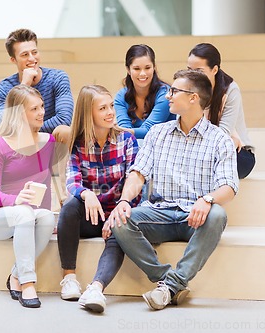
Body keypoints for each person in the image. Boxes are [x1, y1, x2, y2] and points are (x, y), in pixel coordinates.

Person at [109, 69, 239, 311]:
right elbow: (138, 174)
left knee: (218, 215)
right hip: (159, 213)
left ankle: (169, 287)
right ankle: (170, 282)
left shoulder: (219, 139)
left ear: (193, 98)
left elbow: (229, 187)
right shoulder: (158, 133)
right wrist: (125, 200)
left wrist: (208, 200)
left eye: (174, 91)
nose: (168, 96)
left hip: (196, 217)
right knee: (121, 219)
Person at [57, 85, 140, 313]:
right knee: (70, 206)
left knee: (121, 227)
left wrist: (119, 210)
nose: (110, 112)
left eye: (111, 106)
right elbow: (72, 182)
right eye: (102, 108)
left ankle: (96, 289)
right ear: (88, 114)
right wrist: (87, 193)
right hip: (90, 216)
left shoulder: (127, 140)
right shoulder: (78, 144)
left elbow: (134, 184)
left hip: (116, 214)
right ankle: (69, 278)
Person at [0, 85, 56, 308]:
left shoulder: (48, 141)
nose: (42, 112)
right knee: (24, 213)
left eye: (42, 106)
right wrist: (16, 200)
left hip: (27, 216)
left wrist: (46, 211)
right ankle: (28, 282)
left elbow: (47, 183)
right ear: (20, 114)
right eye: (34, 109)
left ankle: (16, 275)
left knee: (47, 218)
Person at [0, 28, 74, 207]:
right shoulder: (2, 89)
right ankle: (5, 201)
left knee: (65, 131)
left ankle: (65, 201)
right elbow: (5, 125)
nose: (32, 59)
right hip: (19, 149)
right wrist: (24, 86)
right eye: (25, 55)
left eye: (35, 52)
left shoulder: (58, 78)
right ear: (13, 60)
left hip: (50, 146)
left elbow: (63, 119)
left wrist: (34, 131)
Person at [187, 43, 255, 179]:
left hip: (237, 154)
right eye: (189, 70)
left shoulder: (230, 90)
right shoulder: (186, 88)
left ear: (215, 70)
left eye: (199, 71)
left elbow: (223, 133)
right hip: (198, 150)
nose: (193, 76)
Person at [115, 44, 175, 141]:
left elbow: (150, 130)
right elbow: (124, 133)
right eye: (137, 69)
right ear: (128, 70)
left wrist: (123, 131)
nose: (142, 73)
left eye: (147, 68)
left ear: (154, 67)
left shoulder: (166, 94)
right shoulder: (120, 97)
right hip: (133, 150)